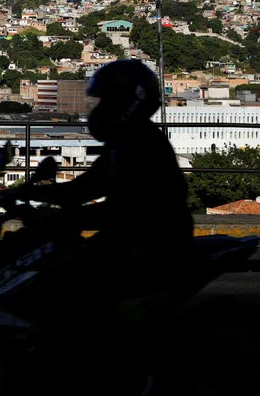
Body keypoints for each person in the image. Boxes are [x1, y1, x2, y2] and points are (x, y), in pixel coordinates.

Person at [12, 59, 194, 283]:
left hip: (154, 241)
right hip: (130, 235)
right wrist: (23, 193)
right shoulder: (122, 143)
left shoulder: (142, 145)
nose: (97, 110)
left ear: (125, 104)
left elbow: (121, 211)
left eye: (106, 102)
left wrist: (55, 216)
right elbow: (83, 189)